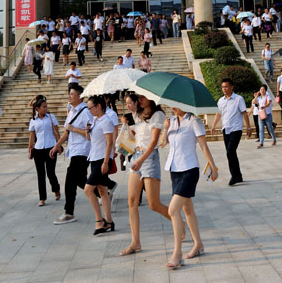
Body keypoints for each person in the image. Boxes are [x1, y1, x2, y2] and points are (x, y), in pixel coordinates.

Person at [159, 106, 219, 269]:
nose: (173, 107)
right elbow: (163, 143)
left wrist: (213, 167)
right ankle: (198, 244)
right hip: (174, 170)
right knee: (188, 210)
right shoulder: (171, 121)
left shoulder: (194, 121)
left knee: (173, 210)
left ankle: (177, 253)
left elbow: (204, 146)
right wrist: (165, 130)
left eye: (176, 104)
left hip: (189, 170)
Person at [120, 94, 170, 256]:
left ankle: (179, 222)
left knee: (154, 204)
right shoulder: (138, 114)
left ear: (151, 98)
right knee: (132, 201)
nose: (139, 99)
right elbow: (137, 137)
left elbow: (154, 141)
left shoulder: (158, 115)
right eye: (139, 97)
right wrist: (126, 126)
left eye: (142, 97)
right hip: (136, 155)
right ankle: (135, 242)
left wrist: (141, 160)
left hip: (149, 158)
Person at [52, 84, 93, 225]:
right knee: (80, 180)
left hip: (83, 150)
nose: (69, 96)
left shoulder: (86, 112)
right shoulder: (71, 111)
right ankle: (104, 191)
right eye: (69, 94)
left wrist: (75, 129)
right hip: (74, 150)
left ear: (80, 96)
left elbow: (91, 134)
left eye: (72, 94)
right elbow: (66, 131)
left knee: (70, 180)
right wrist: (57, 145)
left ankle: (69, 212)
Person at [83, 95, 116, 235]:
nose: (89, 110)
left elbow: (109, 143)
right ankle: (109, 221)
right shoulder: (95, 120)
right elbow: (91, 139)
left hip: (102, 159)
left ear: (99, 106)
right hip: (94, 157)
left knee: (88, 190)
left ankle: (99, 220)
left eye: (90, 108)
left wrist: (106, 162)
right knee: (102, 190)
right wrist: (87, 131)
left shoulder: (106, 121)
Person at [210, 79, 252, 186]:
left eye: (226, 86)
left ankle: (234, 176)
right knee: (231, 153)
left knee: (230, 152)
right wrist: (213, 126)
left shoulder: (238, 99)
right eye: (223, 87)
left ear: (231, 87)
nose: (224, 89)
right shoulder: (221, 100)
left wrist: (248, 127)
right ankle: (239, 175)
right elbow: (218, 114)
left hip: (236, 129)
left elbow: (244, 113)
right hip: (226, 129)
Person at [28, 95, 61, 206]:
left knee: (51, 172)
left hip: (51, 148)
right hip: (38, 150)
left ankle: (56, 189)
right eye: (44, 107)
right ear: (37, 108)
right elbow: (32, 137)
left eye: (46, 106)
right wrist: (29, 149)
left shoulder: (51, 117)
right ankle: (42, 198)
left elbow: (56, 132)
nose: (46, 108)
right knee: (40, 174)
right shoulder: (33, 120)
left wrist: (59, 145)